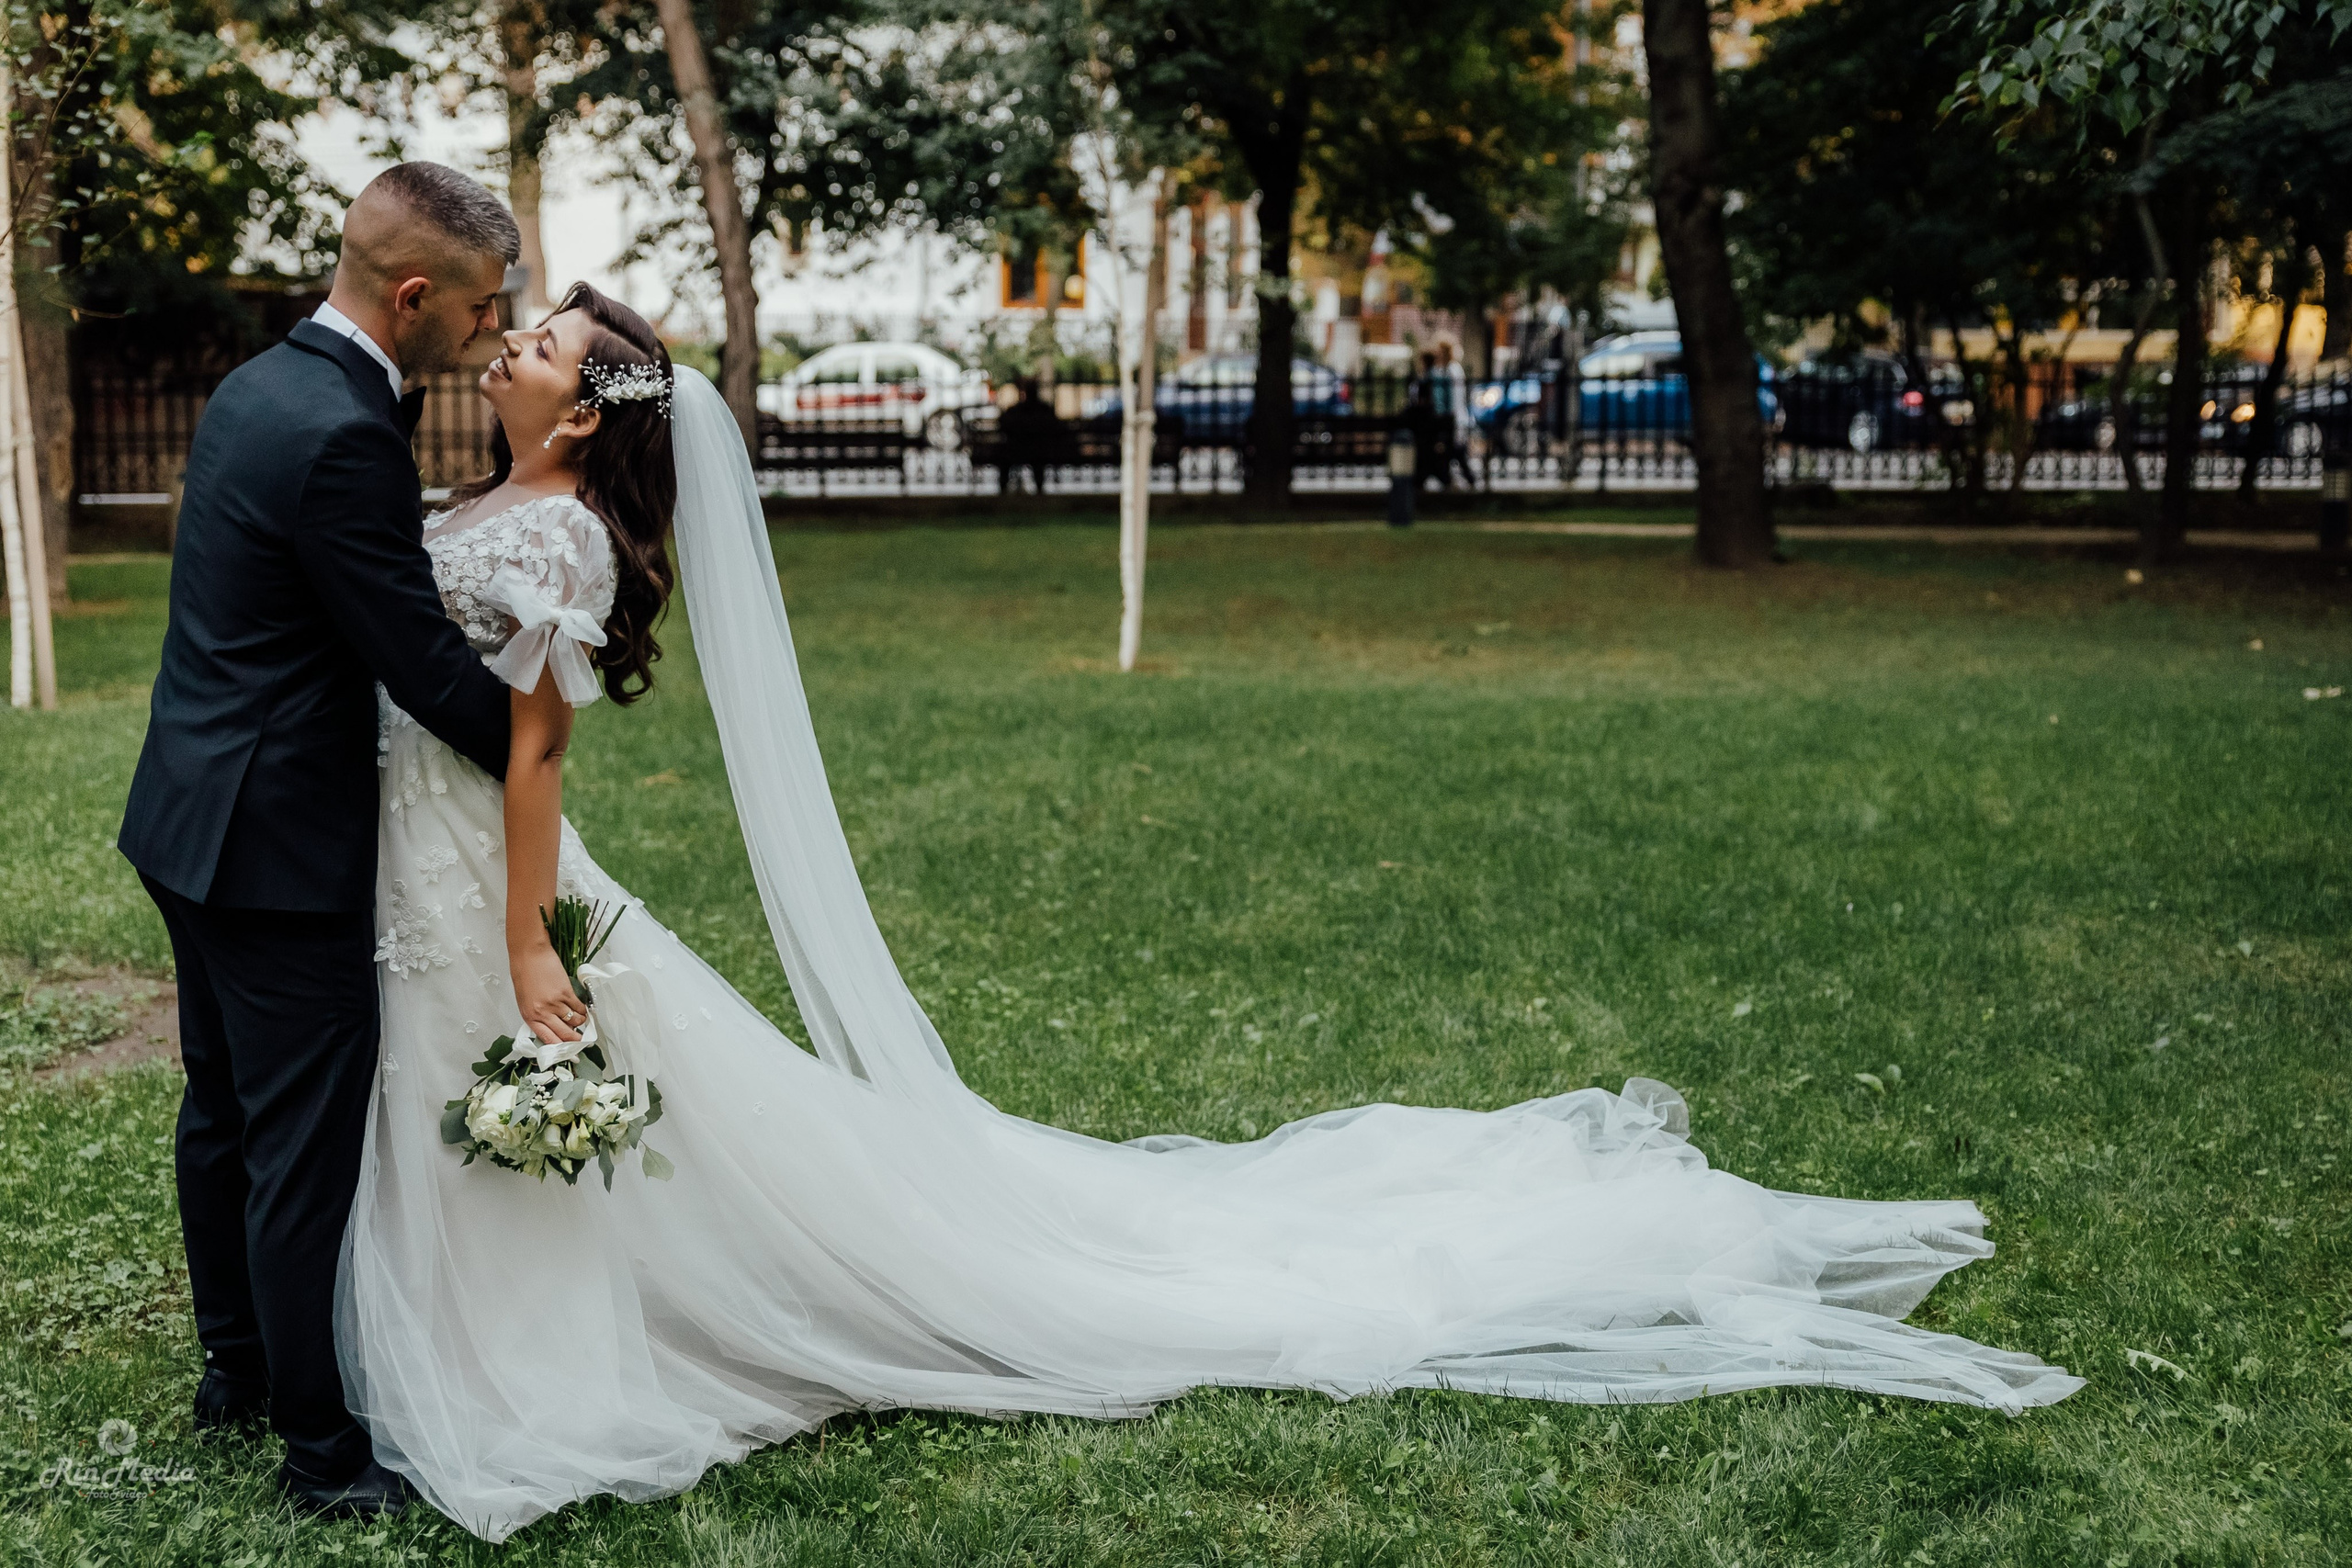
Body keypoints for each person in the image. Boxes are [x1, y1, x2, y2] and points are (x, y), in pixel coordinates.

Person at [332, 264, 2083, 1546]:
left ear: (586, 406)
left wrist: (521, 942)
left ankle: (541, 1361)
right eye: (519, 330)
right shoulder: (488, 495)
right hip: (416, 853)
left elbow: (536, 756)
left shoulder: (554, 535)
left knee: (549, 1084)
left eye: (540, 341)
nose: (510, 349)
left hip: (487, 878)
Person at [116, 163, 520, 1518]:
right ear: (414, 296)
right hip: (276, 848)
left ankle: (233, 1369)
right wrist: (540, 745)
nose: (487, 333)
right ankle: (320, 1453)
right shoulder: (345, 431)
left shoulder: (262, 380)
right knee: (296, 1143)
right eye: (478, 310)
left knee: (223, 1109)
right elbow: (415, 658)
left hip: (187, 814)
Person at [993, 378, 1063, 494]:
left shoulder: (1015, 411)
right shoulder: (1044, 410)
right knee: (1038, 458)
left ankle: (1003, 489)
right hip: (1041, 451)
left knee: (1006, 458)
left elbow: (1003, 427)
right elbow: (1056, 428)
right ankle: (1039, 487)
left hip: (1016, 451)